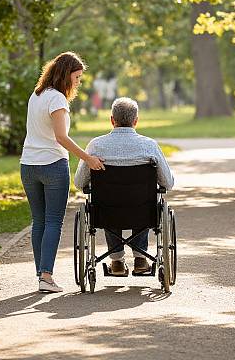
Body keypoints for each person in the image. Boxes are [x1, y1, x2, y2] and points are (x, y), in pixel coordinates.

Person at [20, 52, 105, 293]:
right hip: (51, 166)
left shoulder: (36, 96)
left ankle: (41, 274)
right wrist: (88, 158)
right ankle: (46, 277)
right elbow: (61, 137)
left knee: (39, 221)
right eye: (76, 77)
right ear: (65, 75)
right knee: (53, 221)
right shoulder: (57, 99)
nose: (78, 82)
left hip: (28, 165)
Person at [74, 97, 174, 276]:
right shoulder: (149, 146)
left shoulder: (96, 145)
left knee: (110, 203)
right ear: (136, 121)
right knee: (141, 201)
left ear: (112, 120)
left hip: (106, 211)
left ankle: (117, 261)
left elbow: (79, 182)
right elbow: (167, 182)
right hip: (143, 211)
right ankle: (140, 259)